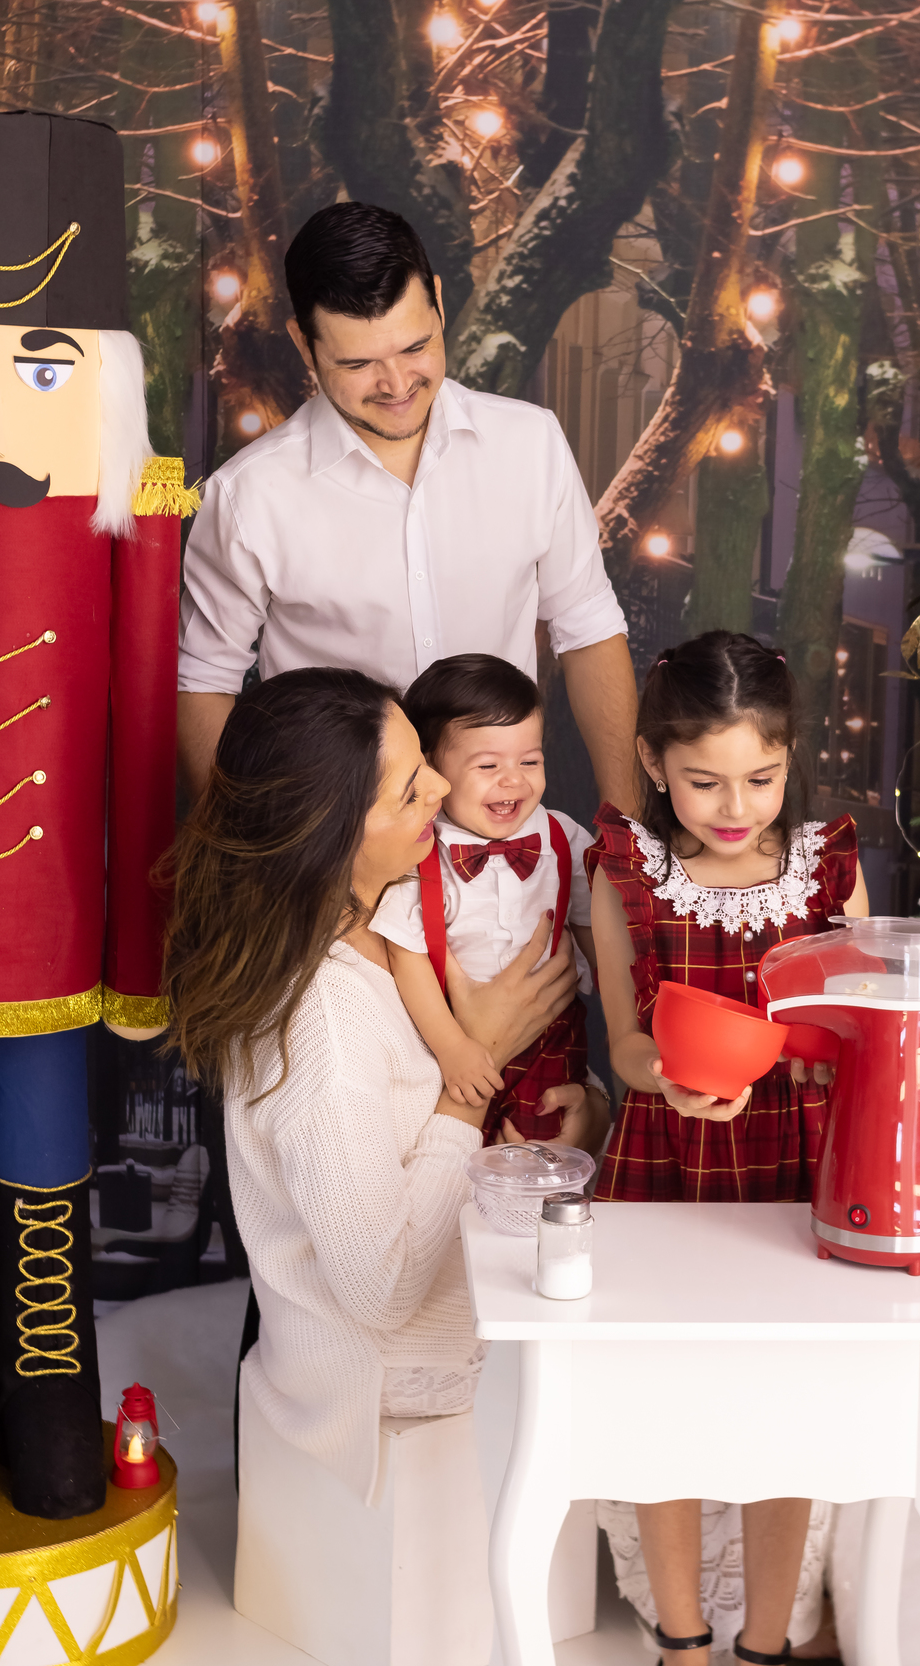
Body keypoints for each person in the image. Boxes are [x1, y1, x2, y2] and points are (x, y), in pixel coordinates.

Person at [0, 110, 193, 1521]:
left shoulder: (133, 517)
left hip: (53, 933)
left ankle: (48, 1376)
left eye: (32, 366)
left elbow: (145, 748)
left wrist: (139, 960)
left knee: (42, 1153)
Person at [163, 668, 610, 1505]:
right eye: (412, 788)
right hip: (398, 1362)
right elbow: (383, 1290)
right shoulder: (320, 1017)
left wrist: (590, 1111)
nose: (443, 786)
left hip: (483, 1272)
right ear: (333, 830)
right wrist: (469, 1083)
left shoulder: (407, 897)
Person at [589, 632, 865, 1665]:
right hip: (667, 1164)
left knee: (784, 1412)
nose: (735, 805)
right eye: (704, 781)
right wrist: (671, 1075)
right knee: (663, 1402)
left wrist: (806, 1052)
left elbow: (857, 1023)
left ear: (792, 758)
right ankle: (681, 1640)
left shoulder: (827, 867)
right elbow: (621, 1042)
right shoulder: (628, 874)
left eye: (761, 775)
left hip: (795, 1164)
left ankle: (765, 1642)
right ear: (657, 765)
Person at [176, 200, 637, 817]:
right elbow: (204, 680)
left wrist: (629, 828)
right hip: (338, 844)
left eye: (416, 346)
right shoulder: (247, 495)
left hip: (505, 834)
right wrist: (259, 861)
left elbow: (585, 627)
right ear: (304, 345)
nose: (396, 385)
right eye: (358, 363)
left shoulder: (533, 444)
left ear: (440, 303)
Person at [371, 653, 597, 1144]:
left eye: (529, 761)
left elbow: (591, 926)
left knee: (547, 1150)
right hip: (453, 1040)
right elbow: (406, 957)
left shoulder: (563, 836)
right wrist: (453, 1047)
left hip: (553, 1036)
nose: (513, 780)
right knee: (465, 1159)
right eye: (488, 765)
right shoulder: (421, 853)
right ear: (431, 767)